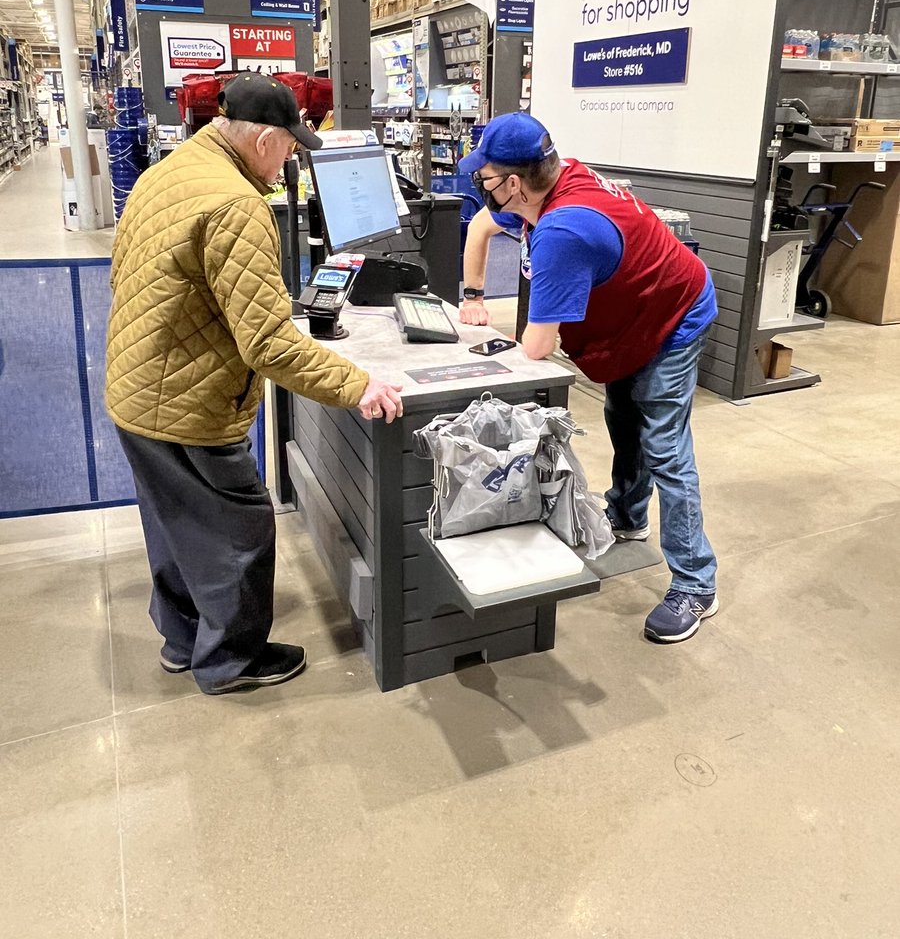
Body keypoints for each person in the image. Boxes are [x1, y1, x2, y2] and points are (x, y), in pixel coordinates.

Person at [106, 73, 403, 695]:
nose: (293, 156)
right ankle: (231, 661)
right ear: (265, 139)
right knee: (238, 529)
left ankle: (183, 641)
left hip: (136, 383)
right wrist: (355, 384)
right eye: (291, 145)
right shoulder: (237, 205)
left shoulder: (170, 171)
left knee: (175, 522)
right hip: (187, 400)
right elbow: (266, 342)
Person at [458, 112, 719, 643]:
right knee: (622, 415)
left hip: (673, 318)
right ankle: (626, 514)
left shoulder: (563, 230)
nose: (479, 186)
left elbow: (537, 346)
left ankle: (696, 581)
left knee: (665, 447)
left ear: (513, 182)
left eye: (484, 176)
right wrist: (473, 296)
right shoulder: (552, 181)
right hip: (632, 322)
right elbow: (484, 226)